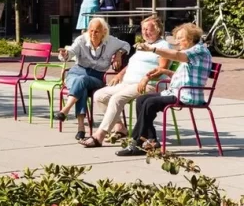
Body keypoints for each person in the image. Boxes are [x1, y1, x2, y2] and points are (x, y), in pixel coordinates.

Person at [116, 23, 212, 156]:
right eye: (176, 38)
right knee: (142, 100)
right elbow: (184, 76)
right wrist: (165, 71)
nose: (177, 42)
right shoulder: (193, 51)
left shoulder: (198, 51)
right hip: (178, 91)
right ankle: (151, 140)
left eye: (180, 38)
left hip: (187, 94)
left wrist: (153, 49)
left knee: (150, 103)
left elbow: (177, 56)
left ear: (191, 38)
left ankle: (136, 142)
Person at [79, 15, 171, 148]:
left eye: (148, 30)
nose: (145, 32)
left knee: (117, 98)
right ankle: (120, 127)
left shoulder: (163, 46)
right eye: (143, 29)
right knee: (99, 96)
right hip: (127, 83)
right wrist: (120, 75)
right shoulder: (143, 45)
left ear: (158, 30)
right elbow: (132, 64)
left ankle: (99, 136)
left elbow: (162, 69)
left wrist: (146, 78)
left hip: (148, 85)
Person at [54, 18, 130, 140]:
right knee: (81, 86)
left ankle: (66, 110)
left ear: (104, 32)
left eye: (96, 31)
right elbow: (71, 52)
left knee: (82, 81)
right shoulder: (81, 40)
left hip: (97, 77)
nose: (93, 34)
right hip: (76, 72)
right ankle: (80, 128)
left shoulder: (111, 41)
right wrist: (65, 55)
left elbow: (126, 45)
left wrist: (119, 54)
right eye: (91, 31)